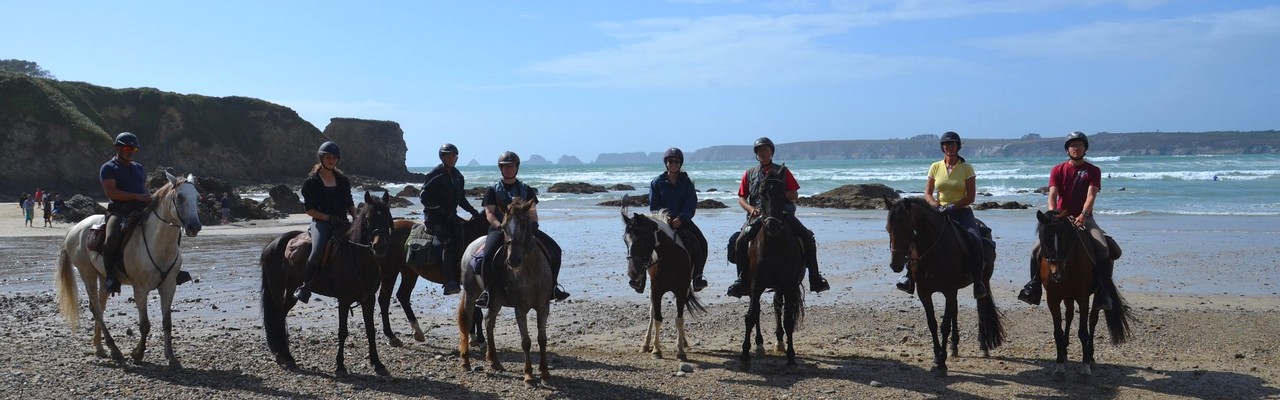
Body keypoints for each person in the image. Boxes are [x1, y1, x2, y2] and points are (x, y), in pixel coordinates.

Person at [1018, 131, 1115, 310]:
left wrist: (1084, 215)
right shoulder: (1057, 170)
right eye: (1072, 145)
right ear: (1067, 150)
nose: (1075, 148)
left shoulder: (1093, 170)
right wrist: (1052, 215)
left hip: (1084, 219)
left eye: (1079, 145)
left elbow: (1091, 194)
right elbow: (1053, 194)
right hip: (1060, 219)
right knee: (1036, 250)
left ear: (1085, 148)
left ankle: (1103, 292)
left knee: (1103, 248)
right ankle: (1034, 287)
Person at [726, 137, 830, 298]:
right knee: (739, 241)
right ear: (756, 154)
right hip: (757, 215)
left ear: (771, 152)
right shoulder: (749, 174)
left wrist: (775, 197)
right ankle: (742, 280)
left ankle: (815, 277)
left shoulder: (782, 172)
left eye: (765, 150)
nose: (763, 153)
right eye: (760, 150)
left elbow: (794, 194)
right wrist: (751, 209)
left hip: (782, 213)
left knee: (807, 237)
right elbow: (741, 198)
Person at [895, 131, 990, 299]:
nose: (949, 147)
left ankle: (978, 282)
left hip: (961, 212)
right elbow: (928, 194)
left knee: (975, 238)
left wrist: (953, 207)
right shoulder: (935, 167)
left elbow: (971, 196)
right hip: (938, 212)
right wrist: (936, 206)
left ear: (958, 147)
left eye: (952, 144)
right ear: (942, 147)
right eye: (946, 145)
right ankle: (909, 277)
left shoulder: (966, 168)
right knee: (915, 238)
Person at [475, 151, 569, 307]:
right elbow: (489, 214)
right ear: (501, 169)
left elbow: (532, 212)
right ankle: (487, 293)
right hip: (501, 230)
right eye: (505, 167)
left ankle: (553, 287)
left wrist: (533, 224)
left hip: (524, 231)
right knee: (488, 255)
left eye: (511, 166)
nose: (508, 169)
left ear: (516, 168)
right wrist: (500, 227)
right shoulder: (493, 190)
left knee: (555, 250)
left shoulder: (526, 189)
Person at [293, 141, 357, 304]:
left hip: (342, 222)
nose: (331, 160)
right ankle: (306, 286)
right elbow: (310, 210)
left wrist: (356, 218)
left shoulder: (342, 180)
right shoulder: (311, 182)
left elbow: (349, 202)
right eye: (328, 157)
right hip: (321, 223)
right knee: (317, 251)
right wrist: (329, 218)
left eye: (334, 157)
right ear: (321, 158)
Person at [420, 143, 483, 295]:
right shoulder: (435, 174)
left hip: (450, 217)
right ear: (442, 157)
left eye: (453, 155)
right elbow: (424, 197)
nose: (450, 158)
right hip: (434, 218)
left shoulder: (458, 176)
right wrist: (440, 211)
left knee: (467, 234)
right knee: (449, 241)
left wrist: (473, 211)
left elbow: (460, 198)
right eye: (447, 155)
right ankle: (449, 281)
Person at [644, 147, 709, 292]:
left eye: (676, 161)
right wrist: (664, 215)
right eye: (670, 161)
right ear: (666, 163)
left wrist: (681, 218)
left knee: (702, 243)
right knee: (643, 244)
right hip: (662, 222)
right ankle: (639, 279)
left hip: (682, 221)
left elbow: (691, 204)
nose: (673, 164)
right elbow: (654, 207)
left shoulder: (687, 183)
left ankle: (698, 276)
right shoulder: (656, 183)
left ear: (680, 163)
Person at [99, 132, 152, 294]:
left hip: (140, 207)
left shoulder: (139, 168)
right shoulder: (108, 168)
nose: (131, 151)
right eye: (128, 148)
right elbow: (112, 193)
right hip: (120, 209)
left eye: (134, 149)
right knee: (112, 237)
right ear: (118, 148)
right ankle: (110, 277)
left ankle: (172, 271)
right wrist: (136, 196)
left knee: (167, 225)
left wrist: (149, 197)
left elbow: (142, 189)